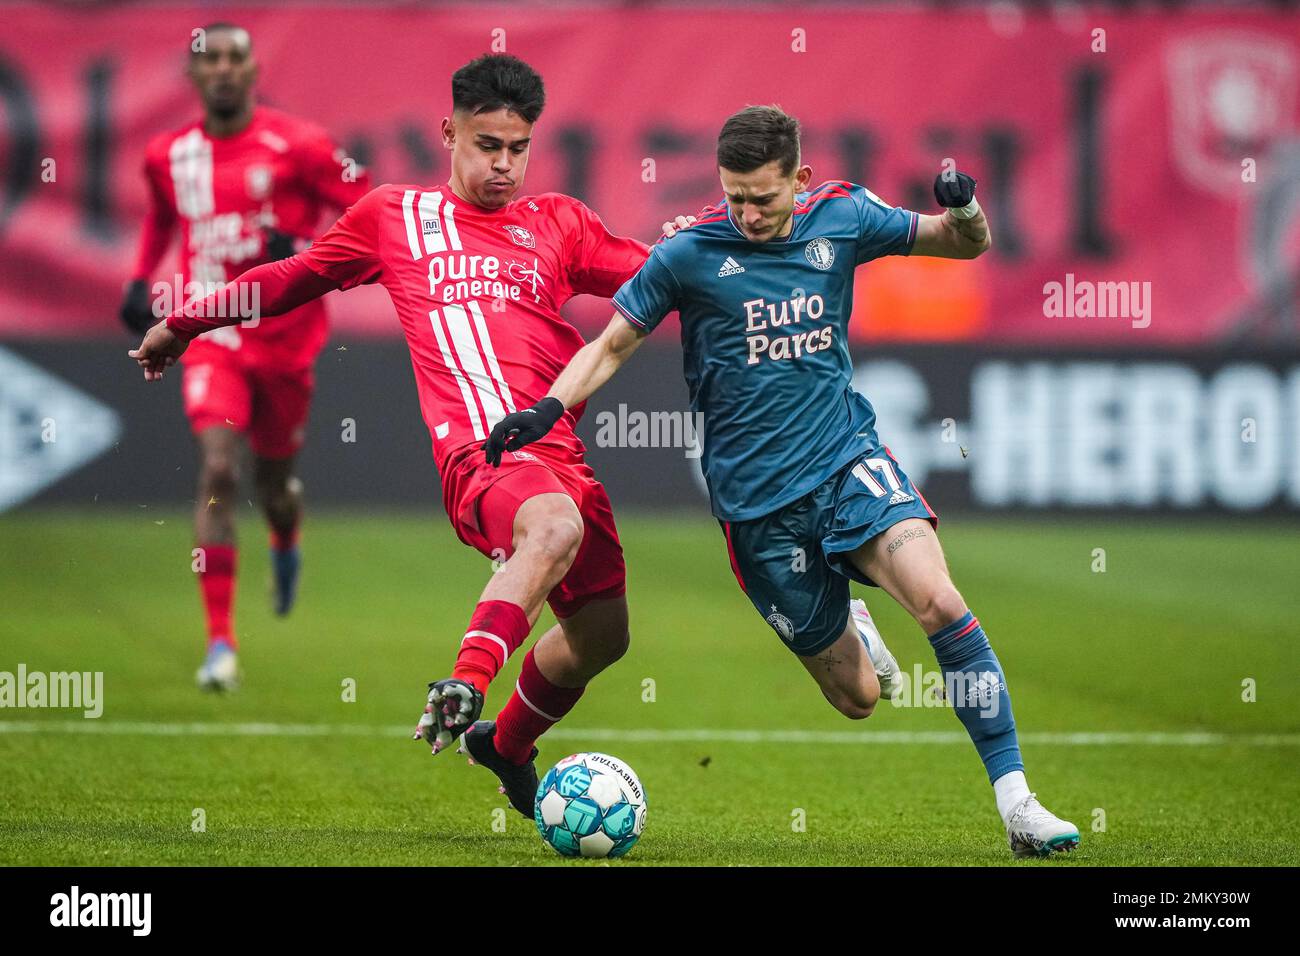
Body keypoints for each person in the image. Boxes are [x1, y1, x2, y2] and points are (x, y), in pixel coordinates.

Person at [482, 105, 1080, 858]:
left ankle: (1018, 802)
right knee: (858, 699)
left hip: (846, 461)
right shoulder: (689, 254)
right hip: (758, 512)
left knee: (941, 601)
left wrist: (964, 206)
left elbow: (959, 245)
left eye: (762, 197)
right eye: (734, 196)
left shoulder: (844, 218)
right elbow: (610, 345)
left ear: (799, 178)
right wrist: (545, 411)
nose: (748, 212)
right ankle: (855, 624)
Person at [120, 22, 370, 691]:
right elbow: (162, 216)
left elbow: (366, 205)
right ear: (194, 74)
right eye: (212, 59)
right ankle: (221, 644)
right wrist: (142, 279)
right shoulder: (167, 154)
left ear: (254, 69)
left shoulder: (302, 144)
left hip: (288, 340)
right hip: (213, 335)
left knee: (277, 489)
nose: (225, 70)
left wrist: (307, 241)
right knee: (218, 470)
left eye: (236, 58)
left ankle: (286, 542)